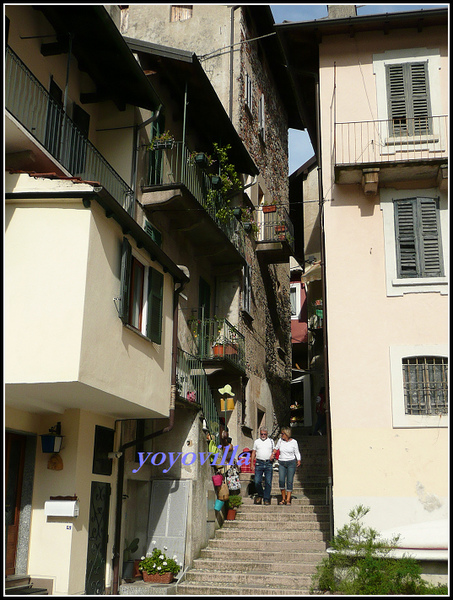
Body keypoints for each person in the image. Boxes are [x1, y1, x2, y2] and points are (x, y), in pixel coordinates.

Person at [274, 427, 301, 505]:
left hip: (291, 462)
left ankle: (288, 499)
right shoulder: (280, 441)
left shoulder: (294, 442)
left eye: (282, 434)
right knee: (281, 480)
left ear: (287, 434)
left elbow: (297, 452)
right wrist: (273, 454)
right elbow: (276, 448)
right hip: (282, 462)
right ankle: (283, 498)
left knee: (289, 481)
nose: (281, 435)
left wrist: (298, 460)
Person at [251, 426, 274, 505]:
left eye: (264, 434)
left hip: (268, 463)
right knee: (257, 481)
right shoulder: (257, 442)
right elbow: (253, 452)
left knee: (268, 482)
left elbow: (274, 450)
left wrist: (273, 455)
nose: (263, 436)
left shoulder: (271, 441)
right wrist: (251, 464)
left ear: (267, 434)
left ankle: (266, 498)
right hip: (259, 463)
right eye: (261, 434)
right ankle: (261, 494)